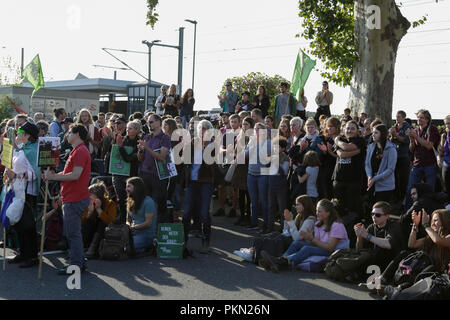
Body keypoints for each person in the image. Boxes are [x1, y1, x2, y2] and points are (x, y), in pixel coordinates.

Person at [44, 124, 91, 275]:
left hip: (75, 198)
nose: (67, 135)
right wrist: (55, 177)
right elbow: (68, 172)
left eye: (70, 132)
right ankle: (79, 262)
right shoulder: (77, 150)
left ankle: (76, 265)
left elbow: (75, 175)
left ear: (77, 134)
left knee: (73, 234)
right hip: (71, 196)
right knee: (73, 233)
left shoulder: (81, 151)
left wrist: (54, 177)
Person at [259, 199, 349, 272]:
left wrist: (312, 239)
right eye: (317, 210)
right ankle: (280, 260)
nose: (317, 213)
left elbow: (330, 248)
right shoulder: (318, 223)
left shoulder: (337, 225)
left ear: (328, 213)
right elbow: (316, 243)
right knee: (297, 243)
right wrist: (308, 238)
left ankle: (283, 262)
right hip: (323, 248)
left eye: (319, 211)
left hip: (335, 252)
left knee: (307, 249)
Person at [233, 195, 316, 264]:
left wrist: (290, 221)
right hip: (293, 239)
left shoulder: (310, 220)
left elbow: (297, 238)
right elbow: (286, 232)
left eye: (298, 204)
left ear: (305, 206)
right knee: (275, 234)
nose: (296, 206)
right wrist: (287, 221)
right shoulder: (299, 216)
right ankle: (253, 251)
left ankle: (254, 254)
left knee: (279, 239)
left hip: (299, 244)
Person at [5, 122, 41, 268]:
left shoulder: (33, 150)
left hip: (27, 191)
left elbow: (34, 174)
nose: (18, 135)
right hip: (16, 189)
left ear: (27, 135)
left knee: (28, 225)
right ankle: (23, 253)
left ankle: (32, 256)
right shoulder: (21, 148)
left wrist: (17, 175)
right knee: (19, 223)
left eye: (20, 133)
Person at [182, 120, 216, 253]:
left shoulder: (213, 146)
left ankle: (206, 241)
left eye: (205, 129)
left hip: (206, 181)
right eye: (201, 129)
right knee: (186, 214)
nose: (203, 131)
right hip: (192, 181)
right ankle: (184, 241)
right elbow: (185, 160)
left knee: (204, 213)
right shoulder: (192, 143)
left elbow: (212, 165)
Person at [333, 120, 367, 245]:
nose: (349, 131)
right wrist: (352, 151)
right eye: (347, 128)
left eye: (352, 128)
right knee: (340, 210)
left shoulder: (360, 141)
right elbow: (341, 153)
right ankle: (338, 238)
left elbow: (346, 149)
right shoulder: (342, 139)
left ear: (358, 130)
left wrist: (337, 141)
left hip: (354, 181)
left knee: (353, 211)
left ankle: (352, 240)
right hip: (338, 180)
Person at [354, 201, 404, 276]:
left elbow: (388, 244)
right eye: (372, 214)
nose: (374, 217)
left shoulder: (394, 226)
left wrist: (367, 235)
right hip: (375, 263)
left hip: (389, 264)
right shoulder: (372, 227)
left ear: (387, 216)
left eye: (377, 215)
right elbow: (359, 249)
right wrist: (359, 237)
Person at [138, 114, 172, 223]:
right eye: (148, 122)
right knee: (145, 202)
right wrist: (140, 150)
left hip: (158, 175)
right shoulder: (146, 137)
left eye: (151, 122)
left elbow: (162, 157)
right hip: (144, 173)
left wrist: (146, 147)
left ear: (158, 122)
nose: (149, 124)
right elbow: (140, 158)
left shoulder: (165, 138)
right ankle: (147, 227)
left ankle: (159, 229)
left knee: (158, 203)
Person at [405, 109, 440, 209]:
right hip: (417, 164)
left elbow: (429, 145)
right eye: (418, 117)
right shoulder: (416, 130)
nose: (419, 119)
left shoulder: (432, 129)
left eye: (421, 117)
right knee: (410, 189)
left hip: (430, 164)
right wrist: (412, 139)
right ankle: (408, 212)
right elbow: (411, 149)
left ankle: (429, 212)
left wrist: (416, 137)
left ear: (427, 120)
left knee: (429, 190)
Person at [114, 119, 142, 223]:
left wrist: (120, 147)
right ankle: (122, 218)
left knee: (132, 198)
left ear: (137, 130)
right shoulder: (123, 139)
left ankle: (131, 219)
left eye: (130, 128)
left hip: (131, 174)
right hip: (119, 173)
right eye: (127, 128)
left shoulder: (139, 142)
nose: (127, 130)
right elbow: (113, 153)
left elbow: (129, 158)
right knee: (121, 198)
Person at [246, 122, 271, 232]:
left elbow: (269, 158)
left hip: (263, 175)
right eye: (255, 129)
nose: (256, 131)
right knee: (253, 201)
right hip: (251, 174)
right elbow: (245, 155)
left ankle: (266, 224)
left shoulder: (269, 143)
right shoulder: (252, 141)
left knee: (264, 201)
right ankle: (254, 223)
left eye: (258, 129)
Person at [82, 181, 117, 259]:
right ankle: (84, 245)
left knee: (102, 223)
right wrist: (89, 213)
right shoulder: (89, 203)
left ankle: (93, 248)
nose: (88, 196)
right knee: (88, 222)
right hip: (90, 232)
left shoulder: (110, 204)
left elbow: (110, 222)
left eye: (91, 194)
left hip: (104, 235)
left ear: (98, 196)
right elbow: (82, 222)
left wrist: (99, 210)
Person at [365, 124, 398, 206]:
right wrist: (369, 176)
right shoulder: (371, 146)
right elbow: (367, 164)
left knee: (381, 210)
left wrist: (375, 178)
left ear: (382, 134)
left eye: (376, 132)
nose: (373, 134)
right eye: (373, 132)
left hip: (385, 186)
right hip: (371, 183)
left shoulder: (391, 149)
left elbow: (390, 169)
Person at [231, 116, 253, 227]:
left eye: (247, 124)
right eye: (243, 124)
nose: (244, 126)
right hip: (240, 167)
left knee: (249, 195)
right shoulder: (239, 136)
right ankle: (242, 216)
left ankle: (249, 217)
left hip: (248, 167)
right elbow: (235, 152)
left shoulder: (253, 137)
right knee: (241, 193)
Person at [126, 177, 158, 253]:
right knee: (117, 244)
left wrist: (133, 228)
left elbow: (148, 223)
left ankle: (149, 247)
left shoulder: (148, 202)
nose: (126, 189)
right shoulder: (130, 201)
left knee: (127, 247)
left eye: (129, 186)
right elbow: (128, 219)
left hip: (146, 235)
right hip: (133, 233)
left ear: (137, 187)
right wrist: (127, 227)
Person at [267, 138, 290, 233]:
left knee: (282, 208)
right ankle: (270, 227)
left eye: (278, 147)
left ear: (283, 148)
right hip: (271, 184)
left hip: (281, 186)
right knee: (271, 207)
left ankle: (283, 228)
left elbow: (284, 171)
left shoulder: (285, 158)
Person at [389, 110, 412, 205]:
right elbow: (390, 140)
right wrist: (391, 136)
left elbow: (406, 140)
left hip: (403, 156)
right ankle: (395, 197)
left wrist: (396, 135)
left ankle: (403, 197)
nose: (397, 118)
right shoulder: (394, 127)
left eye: (399, 117)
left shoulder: (407, 128)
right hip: (394, 156)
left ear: (403, 117)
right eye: (396, 116)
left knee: (403, 178)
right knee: (394, 178)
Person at [318, 117, 340, 199]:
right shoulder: (325, 139)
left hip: (338, 171)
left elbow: (340, 156)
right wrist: (325, 151)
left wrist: (330, 151)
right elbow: (322, 158)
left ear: (337, 127)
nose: (329, 128)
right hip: (327, 170)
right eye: (328, 126)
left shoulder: (342, 139)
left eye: (331, 126)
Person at [438, 115, 450, 202]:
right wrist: (439, 157)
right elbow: (441, 150)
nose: (448, 126)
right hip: (446, 163)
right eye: (446, 124)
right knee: (446, 187)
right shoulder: (444, 135)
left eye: (449, 123)